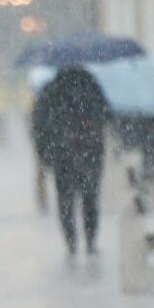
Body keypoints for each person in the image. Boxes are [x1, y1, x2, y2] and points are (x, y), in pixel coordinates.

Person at [30, 65, 110, 258]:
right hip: (90, 152)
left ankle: (71, 243)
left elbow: (38, 125)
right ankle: (90, 241)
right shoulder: (91, 86)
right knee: (90, 198)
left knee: (65, 201)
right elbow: (108, 115)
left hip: (62, 155)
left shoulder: (51, 90)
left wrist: (44, 154)